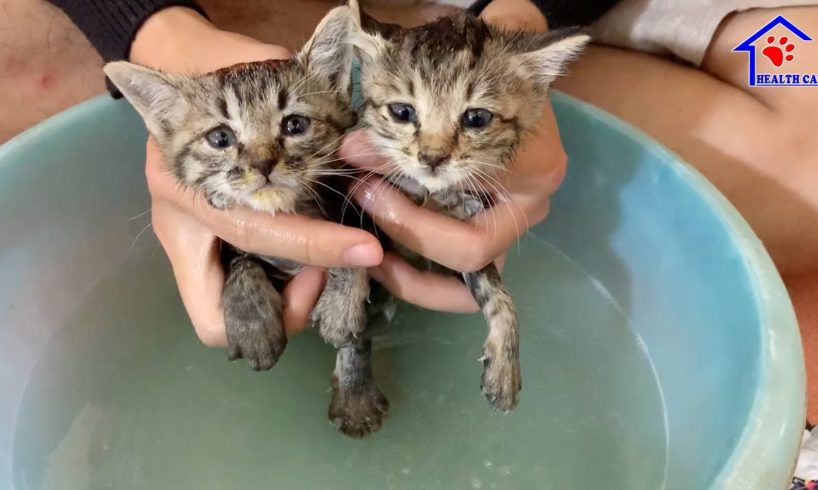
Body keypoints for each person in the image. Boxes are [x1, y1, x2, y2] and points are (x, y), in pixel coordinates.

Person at [11, 0, 816, 426]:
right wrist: (158, 32)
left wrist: (517, 46)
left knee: (800, 75)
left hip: (492, 21)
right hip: (224, 23)